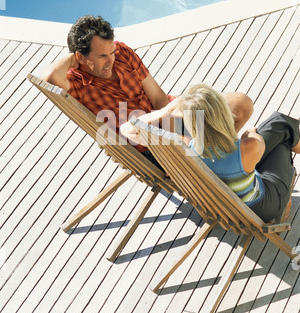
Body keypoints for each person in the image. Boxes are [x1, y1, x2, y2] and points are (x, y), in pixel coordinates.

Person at [41, 15, 253, 157]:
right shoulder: (77, 83)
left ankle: (219, 157)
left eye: (111, 52)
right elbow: (50, 76)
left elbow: (159, 97)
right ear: (80, 56)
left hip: (168, 116)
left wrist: (175, 113)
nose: (111, 60)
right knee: (208, 128)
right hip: (147, 140)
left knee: (241, 103)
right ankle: (223, 159)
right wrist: (73, 59)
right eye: (102, 56)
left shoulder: (122, 52)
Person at [122, 83, 299, 223]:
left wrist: (166, 111)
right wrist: (250, 133)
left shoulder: (182, 147)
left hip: (224, 208)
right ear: (223, 113)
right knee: (281, 132)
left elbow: (127, 129)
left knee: (278, 126)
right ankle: (283, 200)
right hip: (261, 207)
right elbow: (254, 138)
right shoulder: (250, 146)